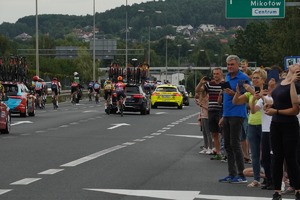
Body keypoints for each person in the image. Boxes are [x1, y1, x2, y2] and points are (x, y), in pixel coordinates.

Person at [264, 63, 300, 200]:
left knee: (291, 159)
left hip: (289, 125)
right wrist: (271, 105)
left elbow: (295, 110)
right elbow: (278, 100)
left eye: (298, 65)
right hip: (276, 124)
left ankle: (297, 189)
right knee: (277, 158)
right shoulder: (281, 81)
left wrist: (277, 111)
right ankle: (277, 191)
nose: (295, 64)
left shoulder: (296, 85)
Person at [232, 68, 267, 187]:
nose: (254, 80)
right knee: (255, 154)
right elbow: (236, 102)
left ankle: (269, 177)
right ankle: (256, 179)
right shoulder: (248, 93)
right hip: (252, 124)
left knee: (267, 153)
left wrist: (252, 91)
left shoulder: (266, 92)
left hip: (265, 125)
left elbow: (265, 101)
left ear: (263, 79)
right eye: (253, 78)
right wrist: (237, 92)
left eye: (257, 78)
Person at [218, 55, 249, 184]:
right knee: (228, 145)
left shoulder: (242, 78)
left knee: (235, 144)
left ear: (237, 65)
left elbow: (246, 95)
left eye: (232, 64)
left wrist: (234, 94)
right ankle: (232, 173)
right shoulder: (227, 77)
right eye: (228, 64)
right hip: (227, 113)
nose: (230, 67)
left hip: (237, 113)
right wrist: (223, 115)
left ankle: (241, 174)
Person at [195, 68, 224, 160]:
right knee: (214, 133)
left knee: (223, 133)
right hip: (211, 111)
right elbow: (197, 90)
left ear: (221, 74)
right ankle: (218, 152)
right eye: (214, 74)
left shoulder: (224, 84)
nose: (215, 75)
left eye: (217, 74)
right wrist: (201, 83)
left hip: (221, 110)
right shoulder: (209, 84)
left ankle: (225, 152)